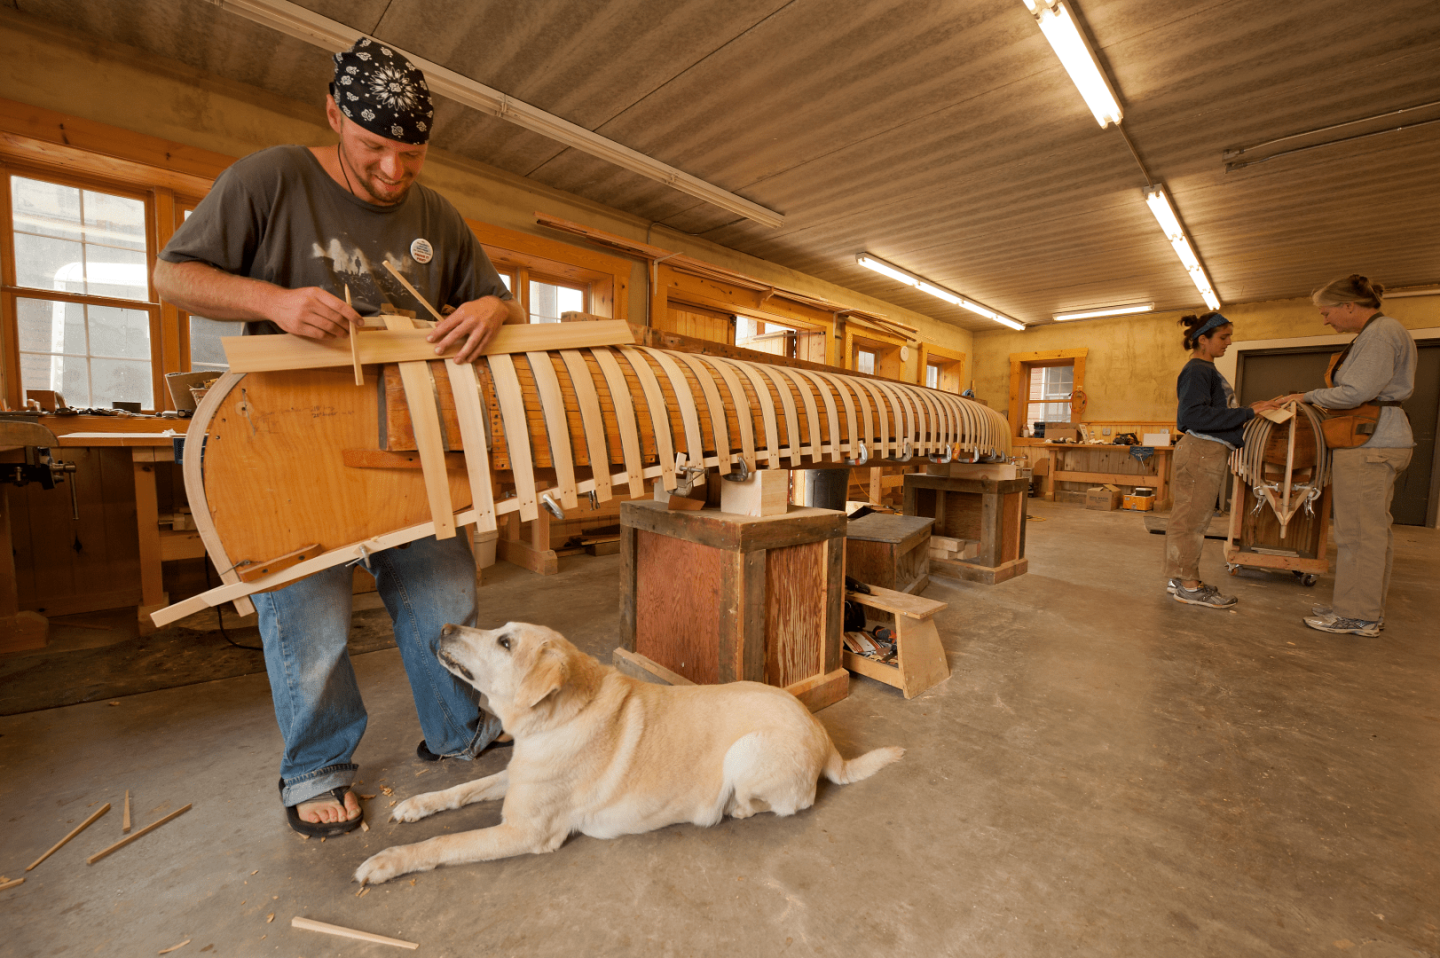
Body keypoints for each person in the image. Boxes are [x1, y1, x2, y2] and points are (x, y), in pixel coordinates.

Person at [153, 39, 526, 837]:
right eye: (374, 149)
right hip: (287, 446)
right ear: (333, 115)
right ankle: (317, 768)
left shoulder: (435, 215)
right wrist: (277, 302)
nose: (393, 173)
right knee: (308, 621)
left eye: (411, 155)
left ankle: (460, 731)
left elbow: (496, 296)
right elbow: (173, 275)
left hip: (408, 442)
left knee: (442, 599)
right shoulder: (270, 178)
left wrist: (493, 309)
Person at [1275, 274, 1416, 637]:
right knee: (1371, 532)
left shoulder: (1380, 333)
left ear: (1349, 306)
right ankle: (1358, 606)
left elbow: (1356, 393)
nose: (1325, 320)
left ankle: (1358, 615)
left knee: (1358, 534)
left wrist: (1305, 397)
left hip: (1370, 443)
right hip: (1381, 440)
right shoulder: (1380, 333)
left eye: (1327, 312)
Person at [1165, 312, 1278, 608]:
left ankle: (1179, 578)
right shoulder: (1198, 370)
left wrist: (1248, 410)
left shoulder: (1207, 370)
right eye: (1223, 337)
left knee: (1188, 517)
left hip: (1206, 450)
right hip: (1201, 450)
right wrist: (1248, 413)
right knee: (1193, 520)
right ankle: (1189, 586)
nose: (1229, 342)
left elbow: (1209, 411)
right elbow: (1191, 416)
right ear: (1203, 339)